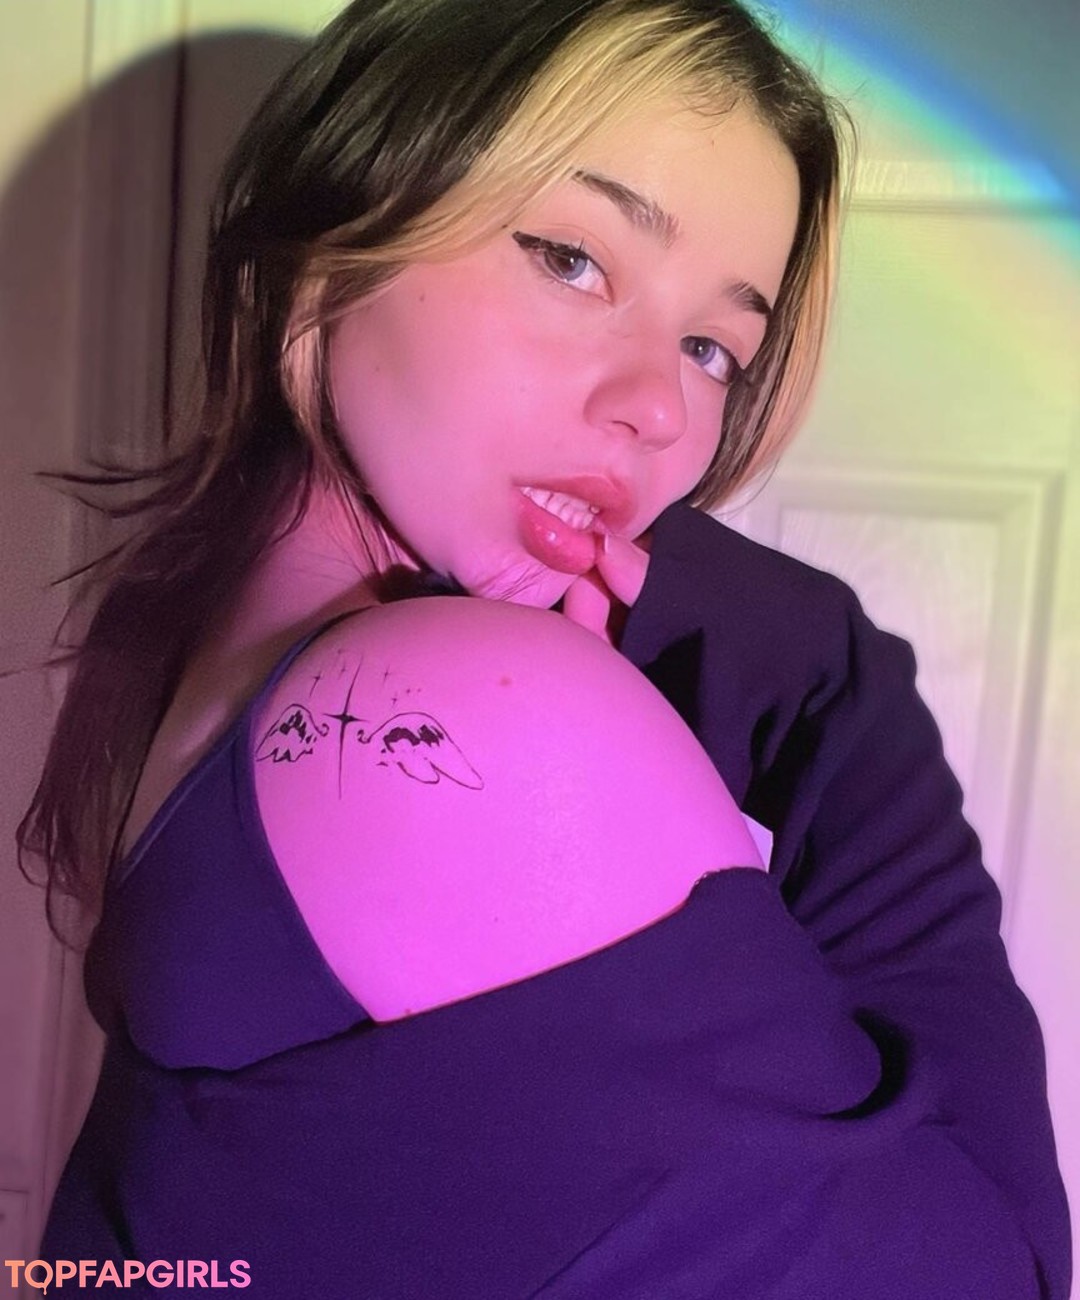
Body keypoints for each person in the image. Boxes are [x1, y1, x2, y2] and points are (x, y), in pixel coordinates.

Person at [20, 0, 1069, 1295]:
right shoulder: (478, 718)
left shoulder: (195, 635)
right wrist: (843, 690)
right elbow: (1010, 1272)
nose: (658, 409)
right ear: (342, 233)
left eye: (712, 347)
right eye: (572, 259)